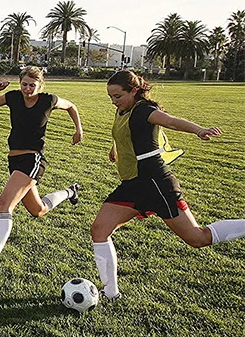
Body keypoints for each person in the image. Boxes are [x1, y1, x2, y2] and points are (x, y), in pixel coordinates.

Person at [91, 70, 245, 298]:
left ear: (134, 91)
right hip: (132, 185)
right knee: (99, 229)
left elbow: (171, 122)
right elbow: (125, 134)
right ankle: (111, 292)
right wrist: (116, 149)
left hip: (156, 183)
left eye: (118, 96)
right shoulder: (123, 109)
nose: (114, 101)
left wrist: (199, 130)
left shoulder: (144, 110)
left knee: (197, 238)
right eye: (110, 97)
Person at [0, 65, 83, 264]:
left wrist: (79, 130)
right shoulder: (13, 97)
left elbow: (71, 106)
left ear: (40, 85)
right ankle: (70, 192)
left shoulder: (48, 100)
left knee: (5, 204)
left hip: (33, 159)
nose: (27, 89)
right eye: (24, 84)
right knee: (38, 210)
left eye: (32, 85)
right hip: (14, 159)